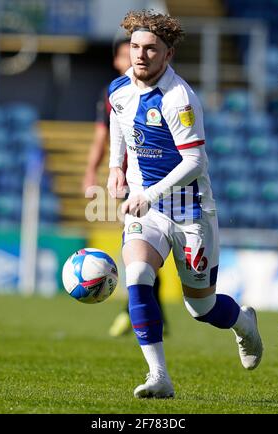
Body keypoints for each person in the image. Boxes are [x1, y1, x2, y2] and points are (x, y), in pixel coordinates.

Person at [107, 10, 263, 399]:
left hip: (192, 213)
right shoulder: (118, 90)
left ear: (168, 54)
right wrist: (115, 169)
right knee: (139, 272)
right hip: (151, 213)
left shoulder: (179, 99)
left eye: (150, 49)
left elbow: (196, 162)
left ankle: (243, 323)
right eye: (135, 47)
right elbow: (119, 123)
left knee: (202, 309)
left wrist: (148, 193)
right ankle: (159, 376)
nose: (140, 56)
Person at [83, 35, 167, 337]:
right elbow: (102, 137)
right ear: (118, 60)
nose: (134, 58)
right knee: (139, 251)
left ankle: (139, 313)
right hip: (128, 183)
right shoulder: (113, 94)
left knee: (144, 251)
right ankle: (146, 313)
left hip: (158, 182)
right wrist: (96, 170)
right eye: (127, 54)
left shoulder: (162, 93)